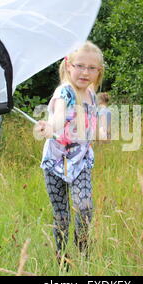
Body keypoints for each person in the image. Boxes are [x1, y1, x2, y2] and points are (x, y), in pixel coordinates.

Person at [34, 41, 104, 266]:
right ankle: (62, 260)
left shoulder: (91, 94)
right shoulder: (65, 92)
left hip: (80, 161)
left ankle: (83, 255)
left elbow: (92, 122)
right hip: (55, 163)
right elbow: (59, 115)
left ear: (98, 71)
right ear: (68, 65)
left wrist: (101, 131)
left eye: (92, 68)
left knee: (84, 206)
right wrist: (50, 127)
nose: (85, 72)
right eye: (80, 65)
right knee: (62, 216)